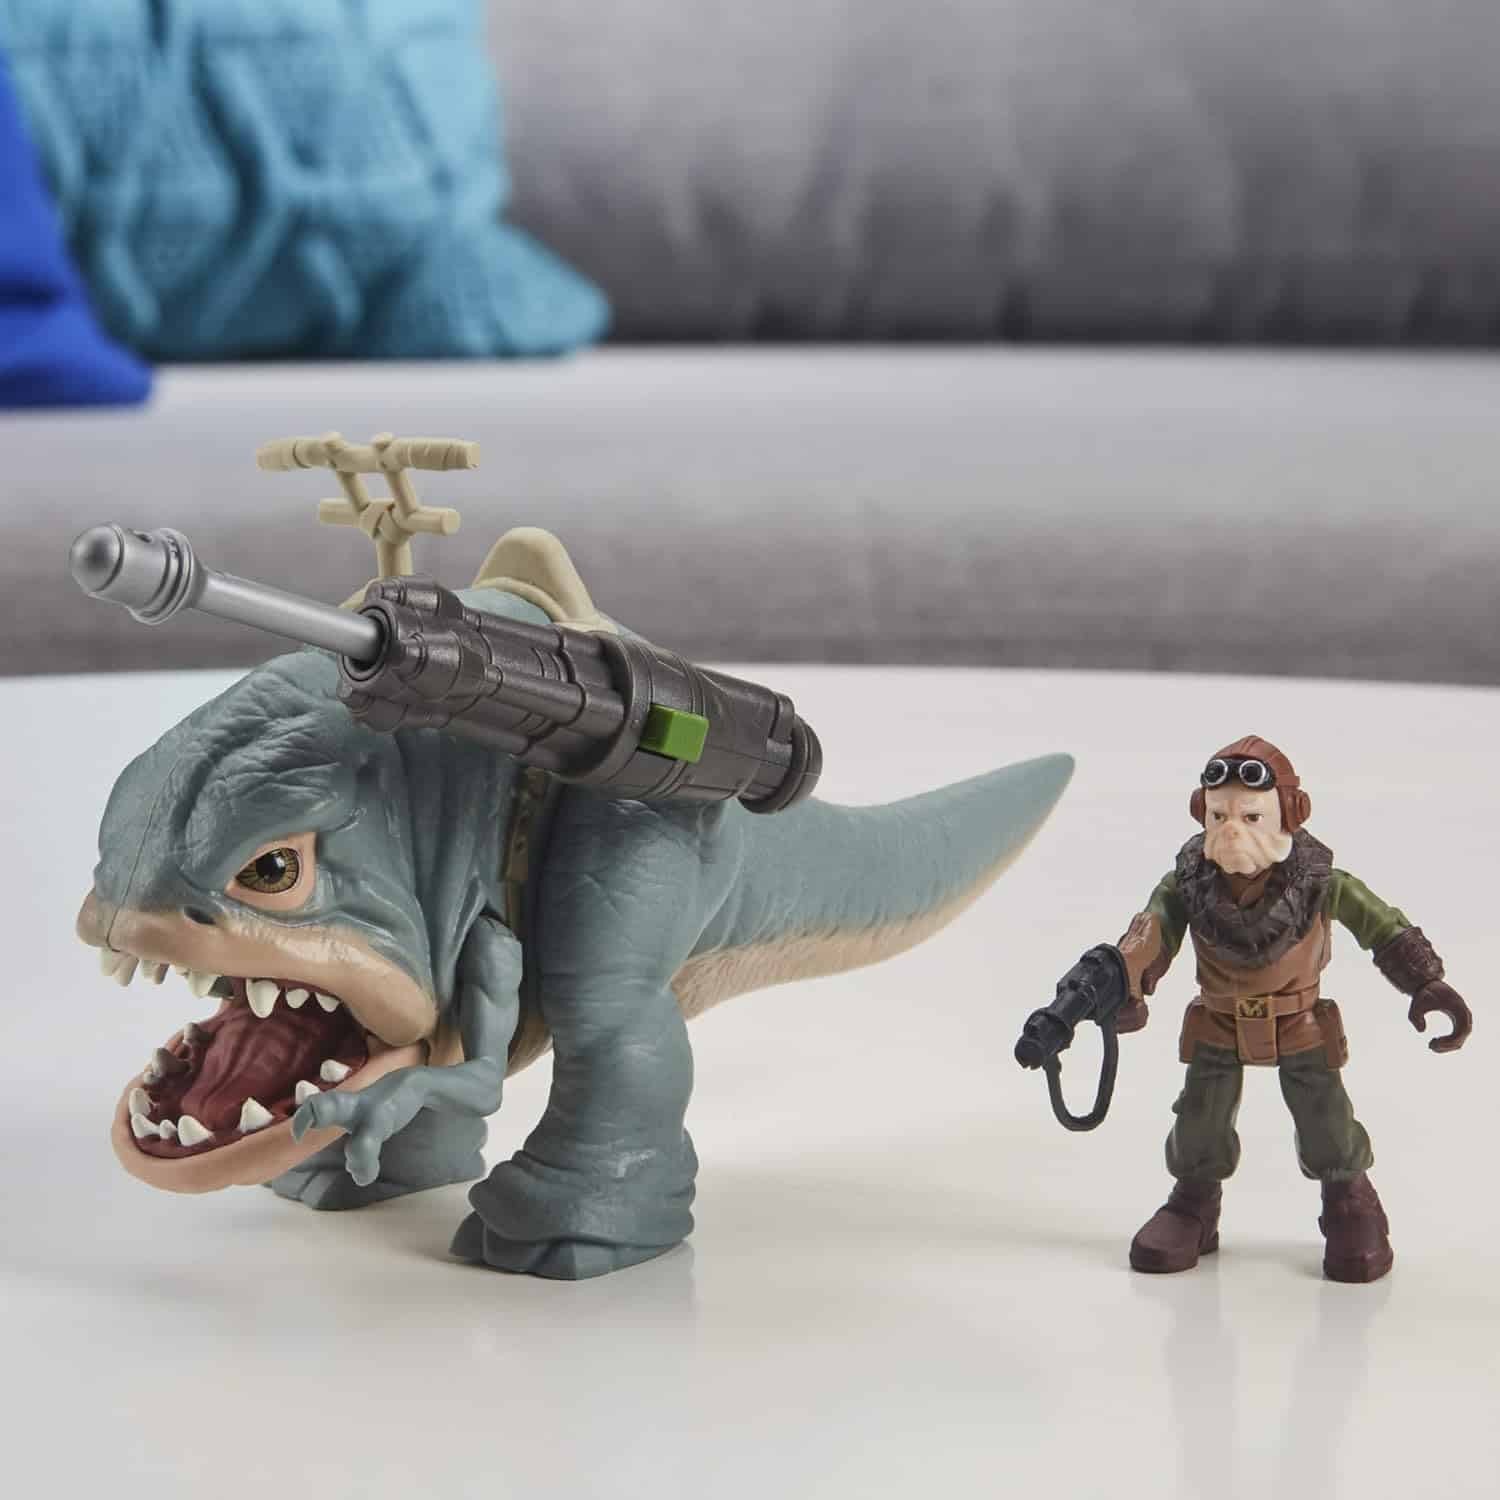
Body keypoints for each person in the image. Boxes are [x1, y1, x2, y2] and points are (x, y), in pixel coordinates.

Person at [1110, 736, 1471, 1282]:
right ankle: (1193, 1204)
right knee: (1200, 1116)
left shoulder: (1321, 884)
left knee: (1325, 1116)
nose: (1232, 830)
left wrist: (1425, 981)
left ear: (1289, 814)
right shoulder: (1187, 884)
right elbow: (1150, 933)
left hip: (1299, 1020)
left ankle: (1349, 1202)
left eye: (1251, 816)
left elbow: (1380, 924)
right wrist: (1126, 980)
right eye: (1219, 815)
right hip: (1218, 1019)